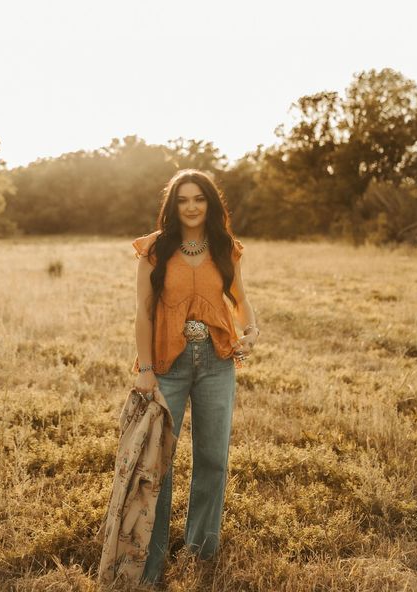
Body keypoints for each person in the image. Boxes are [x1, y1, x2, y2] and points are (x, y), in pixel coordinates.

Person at [131, 168, 259, 587]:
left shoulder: (225, 247)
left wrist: (251, 330)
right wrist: (146, 369)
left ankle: (201, 551)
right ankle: (151, 558)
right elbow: (144, 312)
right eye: (183, 199)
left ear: (210, 203)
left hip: (217, 361)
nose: (191, 206)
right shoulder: (155, 248)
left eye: (198, 199)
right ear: (173, 205)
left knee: (212, 459)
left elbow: (239, 299)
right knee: (159, 463)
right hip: (167, 364)